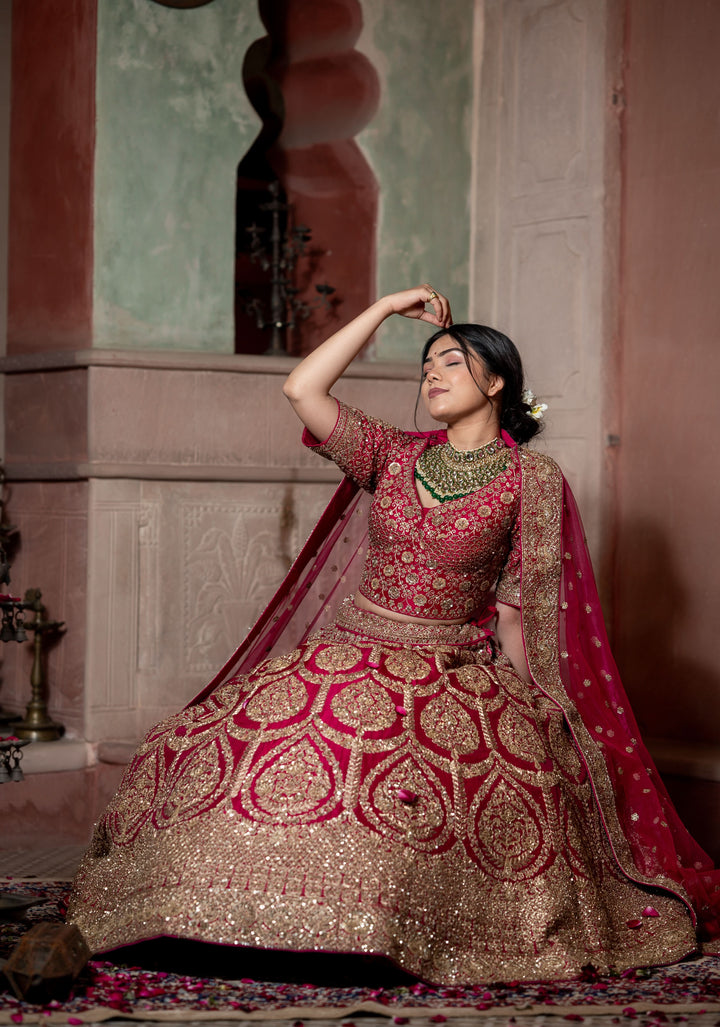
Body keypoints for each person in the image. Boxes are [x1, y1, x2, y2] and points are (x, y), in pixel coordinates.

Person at [67, 286, 720, 985]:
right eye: (426, 365)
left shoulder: (532, 479)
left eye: (451, 362)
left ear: (496, 381)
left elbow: (516, 609)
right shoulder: (392, 454)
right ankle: (217, 913)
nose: (431, 375)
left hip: (451, 670)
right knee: (227, 753)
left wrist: (540, 707)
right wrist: (382, 310)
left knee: (402, 784)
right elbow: (301, 386)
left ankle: (373, 931)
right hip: (348, 656)